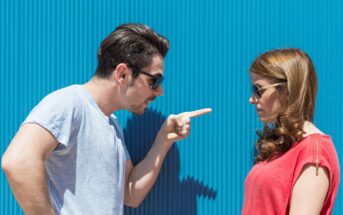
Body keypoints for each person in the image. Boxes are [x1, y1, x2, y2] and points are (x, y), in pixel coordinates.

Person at [1, 23, 211, 215]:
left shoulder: (112, 124)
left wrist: (164, 139)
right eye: (154, 80)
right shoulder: (69, 103)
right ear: (122, 74)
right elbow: (18, 161)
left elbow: (130, 193)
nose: (160, 91)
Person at [242, 48, 340, 214]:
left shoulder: (315, 149)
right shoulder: (284, 146)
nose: (252, 99)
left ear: (287, 90)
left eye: (258, 90)